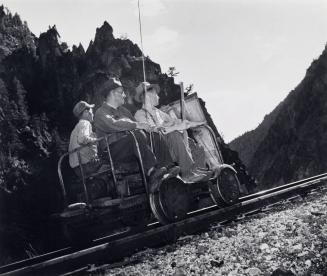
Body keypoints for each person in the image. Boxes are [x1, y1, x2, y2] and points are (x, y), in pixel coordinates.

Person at [93, 77, 179, 193]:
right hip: (112, 152)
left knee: (155, 135)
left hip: (130, 145)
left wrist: (151, 128)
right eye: (121, 92)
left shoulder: (124, 111)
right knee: (137, 135)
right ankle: (152, 172)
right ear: (113, 93)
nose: (124, 95)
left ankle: (168, 168)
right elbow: (112, 124)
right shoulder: (100, 113)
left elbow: (138, 126)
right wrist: (137, 125)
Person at [134, 82, 211, 182]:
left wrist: (195, 123)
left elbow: (176, 122)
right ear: (148, 96)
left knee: (191, 142)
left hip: (169, 143)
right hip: (158, 149)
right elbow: (154, 130)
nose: (158, 96)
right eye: (156, 94)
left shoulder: (159, 112)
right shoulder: (140, 114)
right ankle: (187, 173)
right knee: (174, 134)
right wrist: (176, 127)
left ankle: (195, 169)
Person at [68, 101, 101, 177]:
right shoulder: (85, 123)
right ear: (86, 112)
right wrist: (96, 140)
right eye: (91, 111)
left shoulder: (76, 128)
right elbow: (82, 139)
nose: (92, 114)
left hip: (77, 168)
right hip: (86, 165)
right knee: (113, 163)